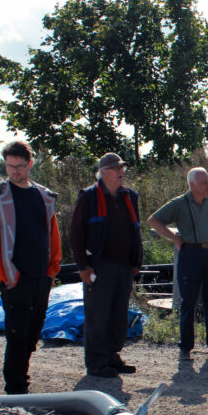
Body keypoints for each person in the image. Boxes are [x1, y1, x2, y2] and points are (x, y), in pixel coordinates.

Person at [0, 140, 62, 394]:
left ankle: (21, 377)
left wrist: (51, 271)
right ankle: (15, 388)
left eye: (20, 166)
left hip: (40, 276)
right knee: (16, 334)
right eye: (10, 166)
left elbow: (52, 233)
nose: (14, 171)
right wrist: (2, 275)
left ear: (30, 164)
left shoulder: (43, 196)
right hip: (14, 278)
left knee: (33, 331)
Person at [148, 167, 208, 361]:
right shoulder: (180, 204)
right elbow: (154, 220)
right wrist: (175, 238)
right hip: (190, 254)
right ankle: (185, 349)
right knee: (188, 302)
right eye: (204, 182)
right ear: (192, 185)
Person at [69, 153, 143, 378]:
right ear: (103, 172)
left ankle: (112, 357)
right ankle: (96, 363)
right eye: (115, 168)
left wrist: (136, 261)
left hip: (123, 266)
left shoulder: (129, 196)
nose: (121, 172)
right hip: (99, 266)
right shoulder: (88, 197)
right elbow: (76, 234)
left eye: (122, 167)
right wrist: (83, 266)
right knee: (98, 315)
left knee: (118, 314)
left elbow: (135, 230)